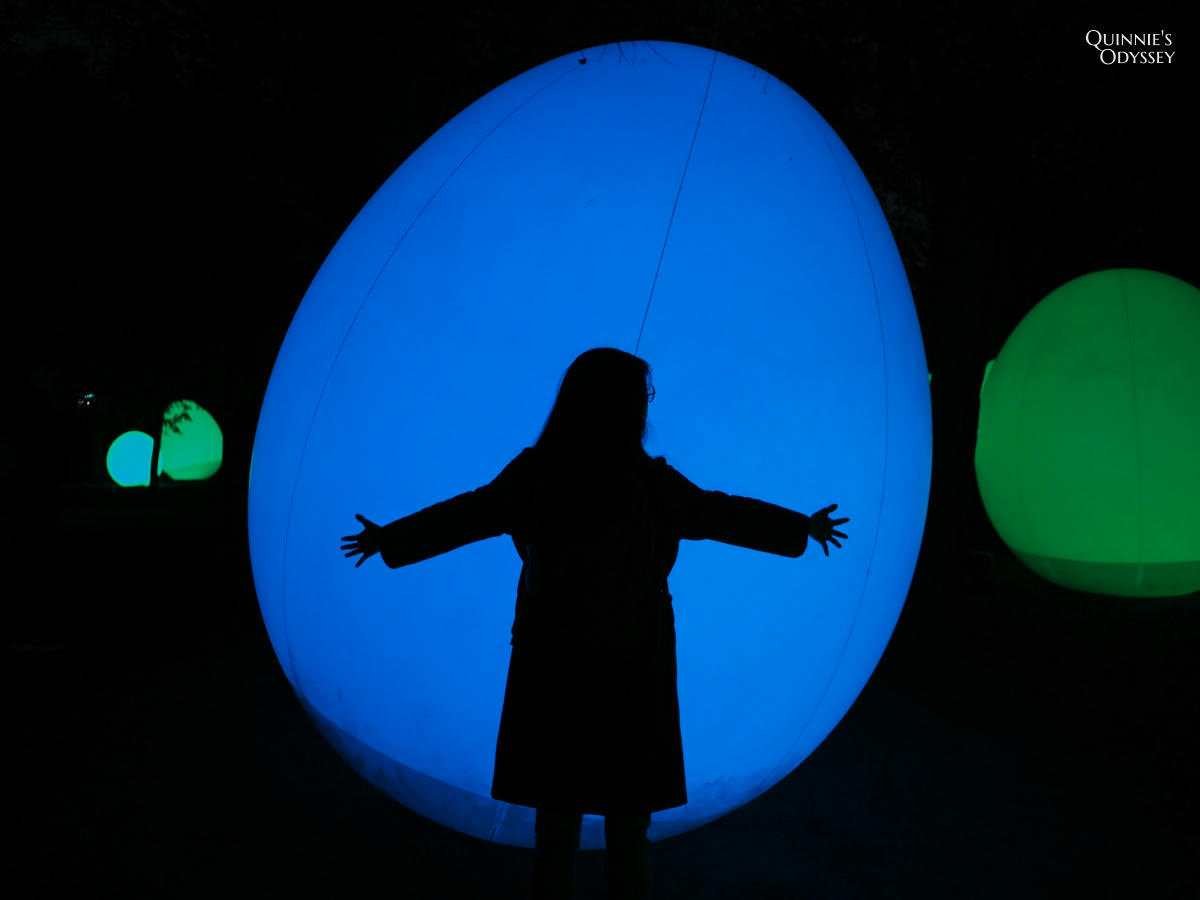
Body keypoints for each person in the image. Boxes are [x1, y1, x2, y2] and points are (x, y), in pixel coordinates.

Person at [340, 348, 848, 900]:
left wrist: (392, 538)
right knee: (626, 828)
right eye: (643, 395)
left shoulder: (540, 474)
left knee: (556, 823)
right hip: (633, 667)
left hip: (553, 663)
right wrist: (799, 527)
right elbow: (718, 513)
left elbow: (469, 513)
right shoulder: (647, 482)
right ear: (628, 406)